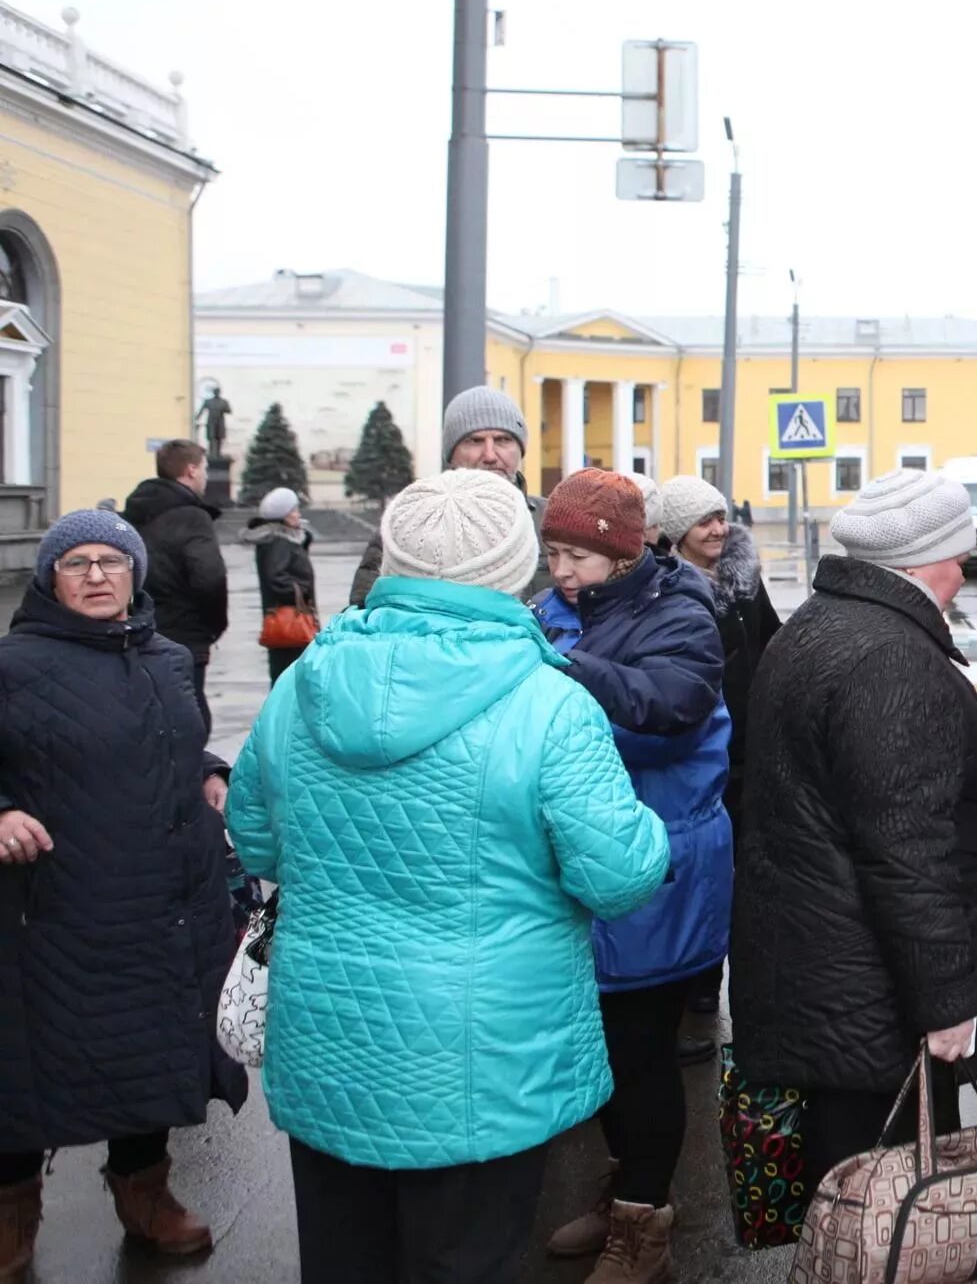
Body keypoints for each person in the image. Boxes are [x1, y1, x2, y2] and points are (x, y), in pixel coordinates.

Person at [227, 470, 669, 1284]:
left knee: (343, 1259)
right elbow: (617, 876)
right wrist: (650, 827)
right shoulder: (550, 703)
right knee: (467, 1260)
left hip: (331, 1042)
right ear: (514, 567)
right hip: (484, 1060)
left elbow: (254, 840)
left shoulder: (304, 685)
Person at [731, 469, 977, 1202]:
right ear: (924, 561)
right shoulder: (887, 654)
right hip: (870, 999)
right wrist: (949, 999)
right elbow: (906, 851)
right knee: (894, 1216)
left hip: (829, 977)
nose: (964, 571)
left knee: (860, 1200)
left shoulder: (826, 621)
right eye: (959, 554)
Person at [0, 511, 247, 1275]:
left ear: (136, 573)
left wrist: (207, 767)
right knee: (24, 1061)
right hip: (50, 904)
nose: (98, 574)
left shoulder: (168, 656)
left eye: (113, 560)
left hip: (161, 895)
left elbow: (172, 733)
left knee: (147, 1049)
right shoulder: (11, 664)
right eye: (77, 562)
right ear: (50, 577)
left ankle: (145, 1192)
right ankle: (11, 1211)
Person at [533, 469, 731, 1283]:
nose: (560, 569)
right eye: (551, 551)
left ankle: (645, 1229)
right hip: (589, 864)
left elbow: (669, 709)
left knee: (638, 1053)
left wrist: (562, 670)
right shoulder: (559, 613)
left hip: (659, 867)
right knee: (600, 1050)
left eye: (575, 553)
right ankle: (629, 1187)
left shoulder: (681, 614)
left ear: (619, 554)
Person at [657, 473, 782, 1050]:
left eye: (721, 515)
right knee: (700, 872)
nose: (718, 527)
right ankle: (697, 984)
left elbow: (774, 643)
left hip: (749, 748)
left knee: (746, 869)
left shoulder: (744, 579)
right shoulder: (660, 588)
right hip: (696, 748)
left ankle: (729, 981)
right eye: (705, 519)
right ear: (679, 531)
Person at [350, 387, 545, 606]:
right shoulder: (409, 522)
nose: (490, 455)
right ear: (451, 453)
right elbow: (365, 608)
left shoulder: (549, 520)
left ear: (520, 449)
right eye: (474, 441)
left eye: (503, 440)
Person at [124, 437, 229, 733]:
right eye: (205, 468)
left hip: (140, 630)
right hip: (186, 637)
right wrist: (213, 627)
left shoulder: (136, 513)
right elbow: (210, 577)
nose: (207, 476)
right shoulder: (192, 516)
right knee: (191, 723)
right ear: (192, 470)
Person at [245, 485, 318, 683]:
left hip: (288, 620)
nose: (298, 514)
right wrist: (301, 592)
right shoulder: (279, 542)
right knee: (288, 678)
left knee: (289, 677)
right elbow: (276, 578)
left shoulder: (284, 539)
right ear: (283, 515)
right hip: (288, 622)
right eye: (294, 510)